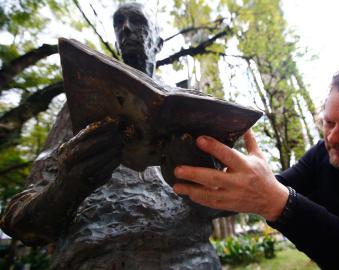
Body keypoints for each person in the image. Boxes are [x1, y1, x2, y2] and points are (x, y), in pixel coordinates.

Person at [0, 3, 225, 270]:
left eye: (137, 21)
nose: (126, 28)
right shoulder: (79, 106)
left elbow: (231, 202)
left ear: (159, 42)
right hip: (95, 259)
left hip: (191, 257)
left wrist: (200, 178)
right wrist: (67, 185)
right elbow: (19, 221)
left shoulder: (190, 109)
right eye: (119, 23)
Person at [173, 54, 339, 269]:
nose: (334, 138)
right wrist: (227, 179)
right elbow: (277, 186)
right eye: (329, 122)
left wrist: (279, 204)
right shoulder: (321, 155)